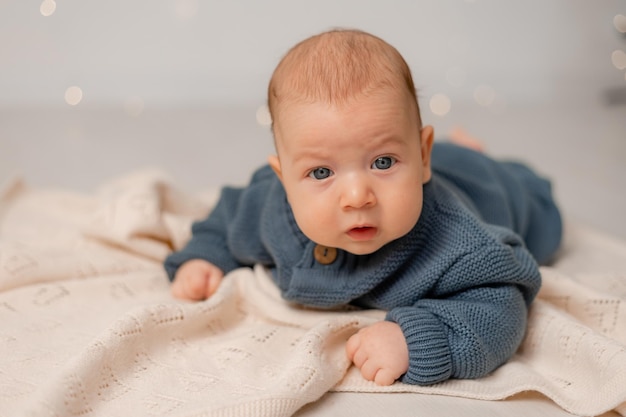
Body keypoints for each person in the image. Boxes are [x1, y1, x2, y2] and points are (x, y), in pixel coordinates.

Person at [164, 29, 562, 387]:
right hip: (431, 162)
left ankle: (474, 155)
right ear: (283, 179)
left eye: (383, 162)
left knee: (536, 206)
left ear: (421, 158)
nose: (357, 196)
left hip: (496, 189)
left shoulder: (460, 242)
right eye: (321, 172)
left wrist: (418, 337)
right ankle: (446, 151)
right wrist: (207, 255)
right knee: (422, 153)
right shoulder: (270, 209)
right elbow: (230, 213)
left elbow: (501, 304)